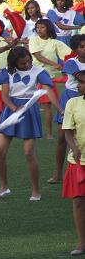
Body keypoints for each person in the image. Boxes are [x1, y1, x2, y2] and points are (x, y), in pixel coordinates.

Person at [0, 46, 63, 201]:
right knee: (0, 152)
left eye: (28, 61)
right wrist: (14, 109)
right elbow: (4, 96)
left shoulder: (39, 71)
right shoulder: (7, 72)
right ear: (14, 62)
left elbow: (48, 90)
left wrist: (59, 109)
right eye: (22, 63)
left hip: (29, 111)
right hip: (11, 111)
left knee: (29, 153)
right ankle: (4, 187)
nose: (27, 65)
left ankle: (36, 191)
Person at [49, 34, 85, 184]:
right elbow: (80, 77)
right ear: (75, 49)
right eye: (82, 47)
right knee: (63, 136)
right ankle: (58, 172)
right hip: (70, 98)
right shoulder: (70, 62)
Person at [29, 19, 71, 139]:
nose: (39, 30)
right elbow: (38, 57)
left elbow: (68, 55)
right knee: (46, 105)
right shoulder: (34, 40)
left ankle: (49, 133)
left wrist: (66, 66)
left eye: (42, 27)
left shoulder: (55, 43)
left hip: (49, 77)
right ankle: (59, 116)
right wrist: (55, 64)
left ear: (48, 28)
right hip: (36, 76)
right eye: (37, 27)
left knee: (47, 105)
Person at [61, 70, 85, 256]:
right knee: (78, 202)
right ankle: (81, 242)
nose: (79, 86)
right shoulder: (72, 103)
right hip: (78, 161)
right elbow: (68, 131)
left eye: (83, 82)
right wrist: (74, 147)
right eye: (78, 82)